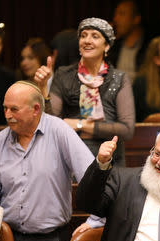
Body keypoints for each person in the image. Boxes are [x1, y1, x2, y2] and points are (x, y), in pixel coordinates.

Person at [0, 81, 94, 241]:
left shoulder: (59, 131)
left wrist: (96, 220)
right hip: (6, 237)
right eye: (5, 108)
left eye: (14, 109)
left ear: (36, 109)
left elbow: (92, 178)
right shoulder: (0, 140)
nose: (7, 115)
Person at [34, 17, 135, 167]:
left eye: (95, 36)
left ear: (106, 46)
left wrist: (80, 125)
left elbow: (126, 130)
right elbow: (52, 122)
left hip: (110, 160)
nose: (87, 40)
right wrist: (43, 87)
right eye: (83, 35)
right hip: (70, 156)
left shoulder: (119, 78)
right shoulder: (64, 74)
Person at [108, 0, 149, 81]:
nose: (116, 19)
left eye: (122, 14)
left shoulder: (148, 47)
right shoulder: (114, 46)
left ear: (136, 19)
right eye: (116, 14)